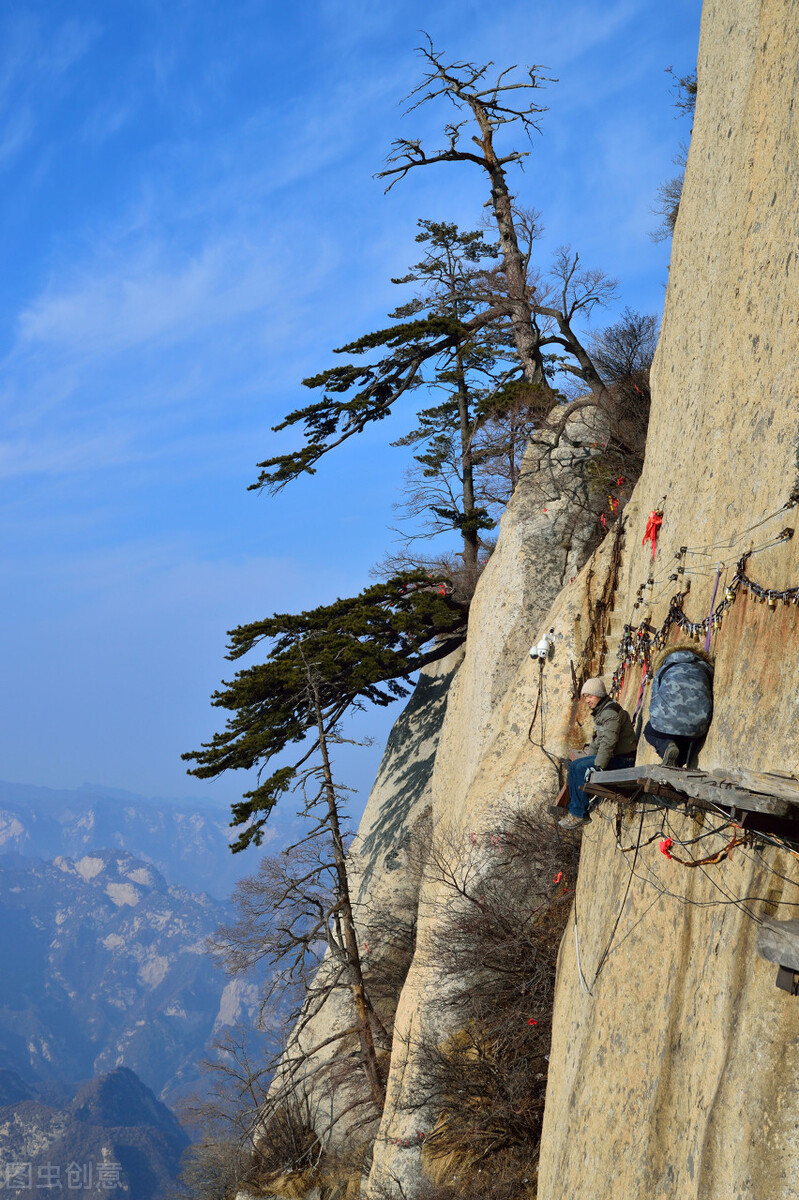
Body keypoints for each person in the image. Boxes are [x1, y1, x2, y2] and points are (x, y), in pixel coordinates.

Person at [559, 678, 638, 830]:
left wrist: (598, 766)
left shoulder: (610, 713)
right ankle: (576, 811)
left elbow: (609, 743)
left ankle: (579, 813)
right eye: (586, 697)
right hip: (614, 757)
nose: (587, 700)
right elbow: (596, 742)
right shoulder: (601, 712)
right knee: (575, 765)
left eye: (590, 696)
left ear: (599, 694)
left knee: (581, 768)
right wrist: (590, 759)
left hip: (623, 760)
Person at [643, 644, 714, 767]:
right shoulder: (704, 668)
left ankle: (667, 747)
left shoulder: (664, 669)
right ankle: (676, 757)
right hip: (697, 726)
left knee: (649, 731)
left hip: (666, 723)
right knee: (684, 736)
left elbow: (654, 698)